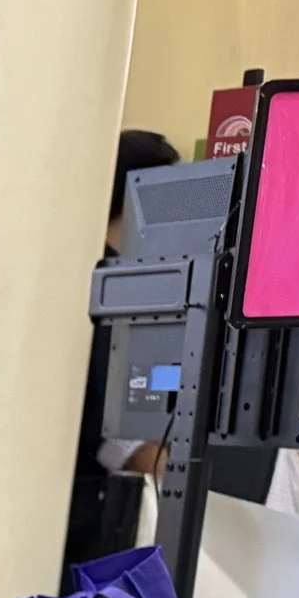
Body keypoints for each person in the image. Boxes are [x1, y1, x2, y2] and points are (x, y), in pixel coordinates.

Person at [66, 128, 179, 567]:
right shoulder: (100, 278)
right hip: (86, 508)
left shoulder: (141, 280)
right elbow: (104, 413)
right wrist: (157, 461)